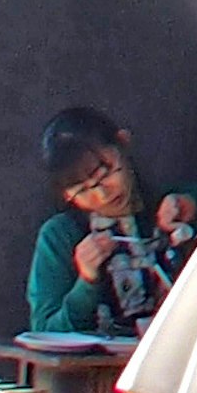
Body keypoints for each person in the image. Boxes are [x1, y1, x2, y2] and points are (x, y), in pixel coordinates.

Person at [24, 106, 171, 340]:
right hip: (92, 373)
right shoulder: (60, 235)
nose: (102, 195)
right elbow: (44, 332)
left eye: (106, 174)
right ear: (65, 196)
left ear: (123, 143)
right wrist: (87, 280)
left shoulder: (167, 209)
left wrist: (193, 203)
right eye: (82, 190)